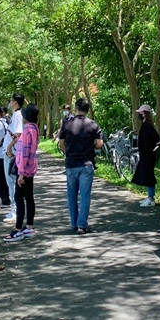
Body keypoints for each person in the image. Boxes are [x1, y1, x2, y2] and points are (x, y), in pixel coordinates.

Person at [58, 97, 103, 234]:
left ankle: (74, 222)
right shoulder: (93, 124)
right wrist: (91, 146)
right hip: (87, 164)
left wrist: (69, 151)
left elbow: (61, 143)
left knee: (71, 195)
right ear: (88, 110)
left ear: (75, 108)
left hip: (71, 163)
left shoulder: (67, 124)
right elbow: (100, 144)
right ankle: (82, 225)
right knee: (85, 195)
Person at [4, 105, 41, 242]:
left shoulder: (27, 131)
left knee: (19, 199)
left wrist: (21, 173)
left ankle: (18, 229)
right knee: (29, 198)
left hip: (24, 170)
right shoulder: (34, 129)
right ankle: (29, 226)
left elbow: (24, 152)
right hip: (30, 169)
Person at [131, 104, 160, 207]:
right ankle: (149, 196)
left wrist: (150, 148)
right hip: (145, 155)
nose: (139, 115)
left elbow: (156, 137)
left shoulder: (147, 125)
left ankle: (151, 198)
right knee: (147, 175)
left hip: (148, 155)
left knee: (149, 176)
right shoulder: (145, 124)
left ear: (144, 114)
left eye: (140, 113)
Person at [3, 93, 25, 227]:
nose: (9, 103)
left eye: (10, 100)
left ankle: (15, 211)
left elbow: (18, 134)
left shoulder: (17, 115)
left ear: (15, 102)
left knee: (12, 183)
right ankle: (13, 209)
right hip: (11, 153)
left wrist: (9, 149)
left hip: (12, 154)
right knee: (11, 182)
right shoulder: (17, 115)